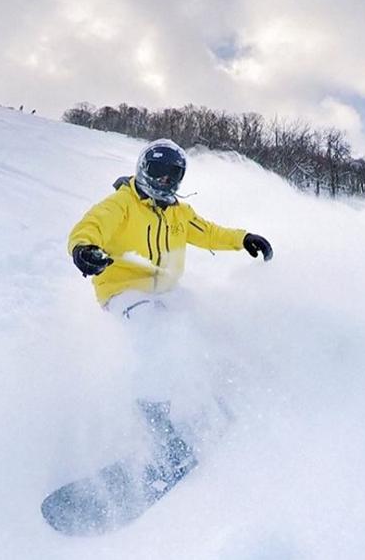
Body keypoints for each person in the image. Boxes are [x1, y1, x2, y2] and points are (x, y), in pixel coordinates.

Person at [67, 138, 273, 488]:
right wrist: (84, 250)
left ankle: (221, 392)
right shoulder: (121, 204)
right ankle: (158, 433)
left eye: (172, 176)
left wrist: (243, 239)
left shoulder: (179, 212)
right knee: (155, 336)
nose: (164, 182)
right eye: (158, 173)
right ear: (143, 170)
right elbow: (89, 228)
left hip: (165, 290)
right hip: (124, 291)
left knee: (211, 320)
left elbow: (209, 233)